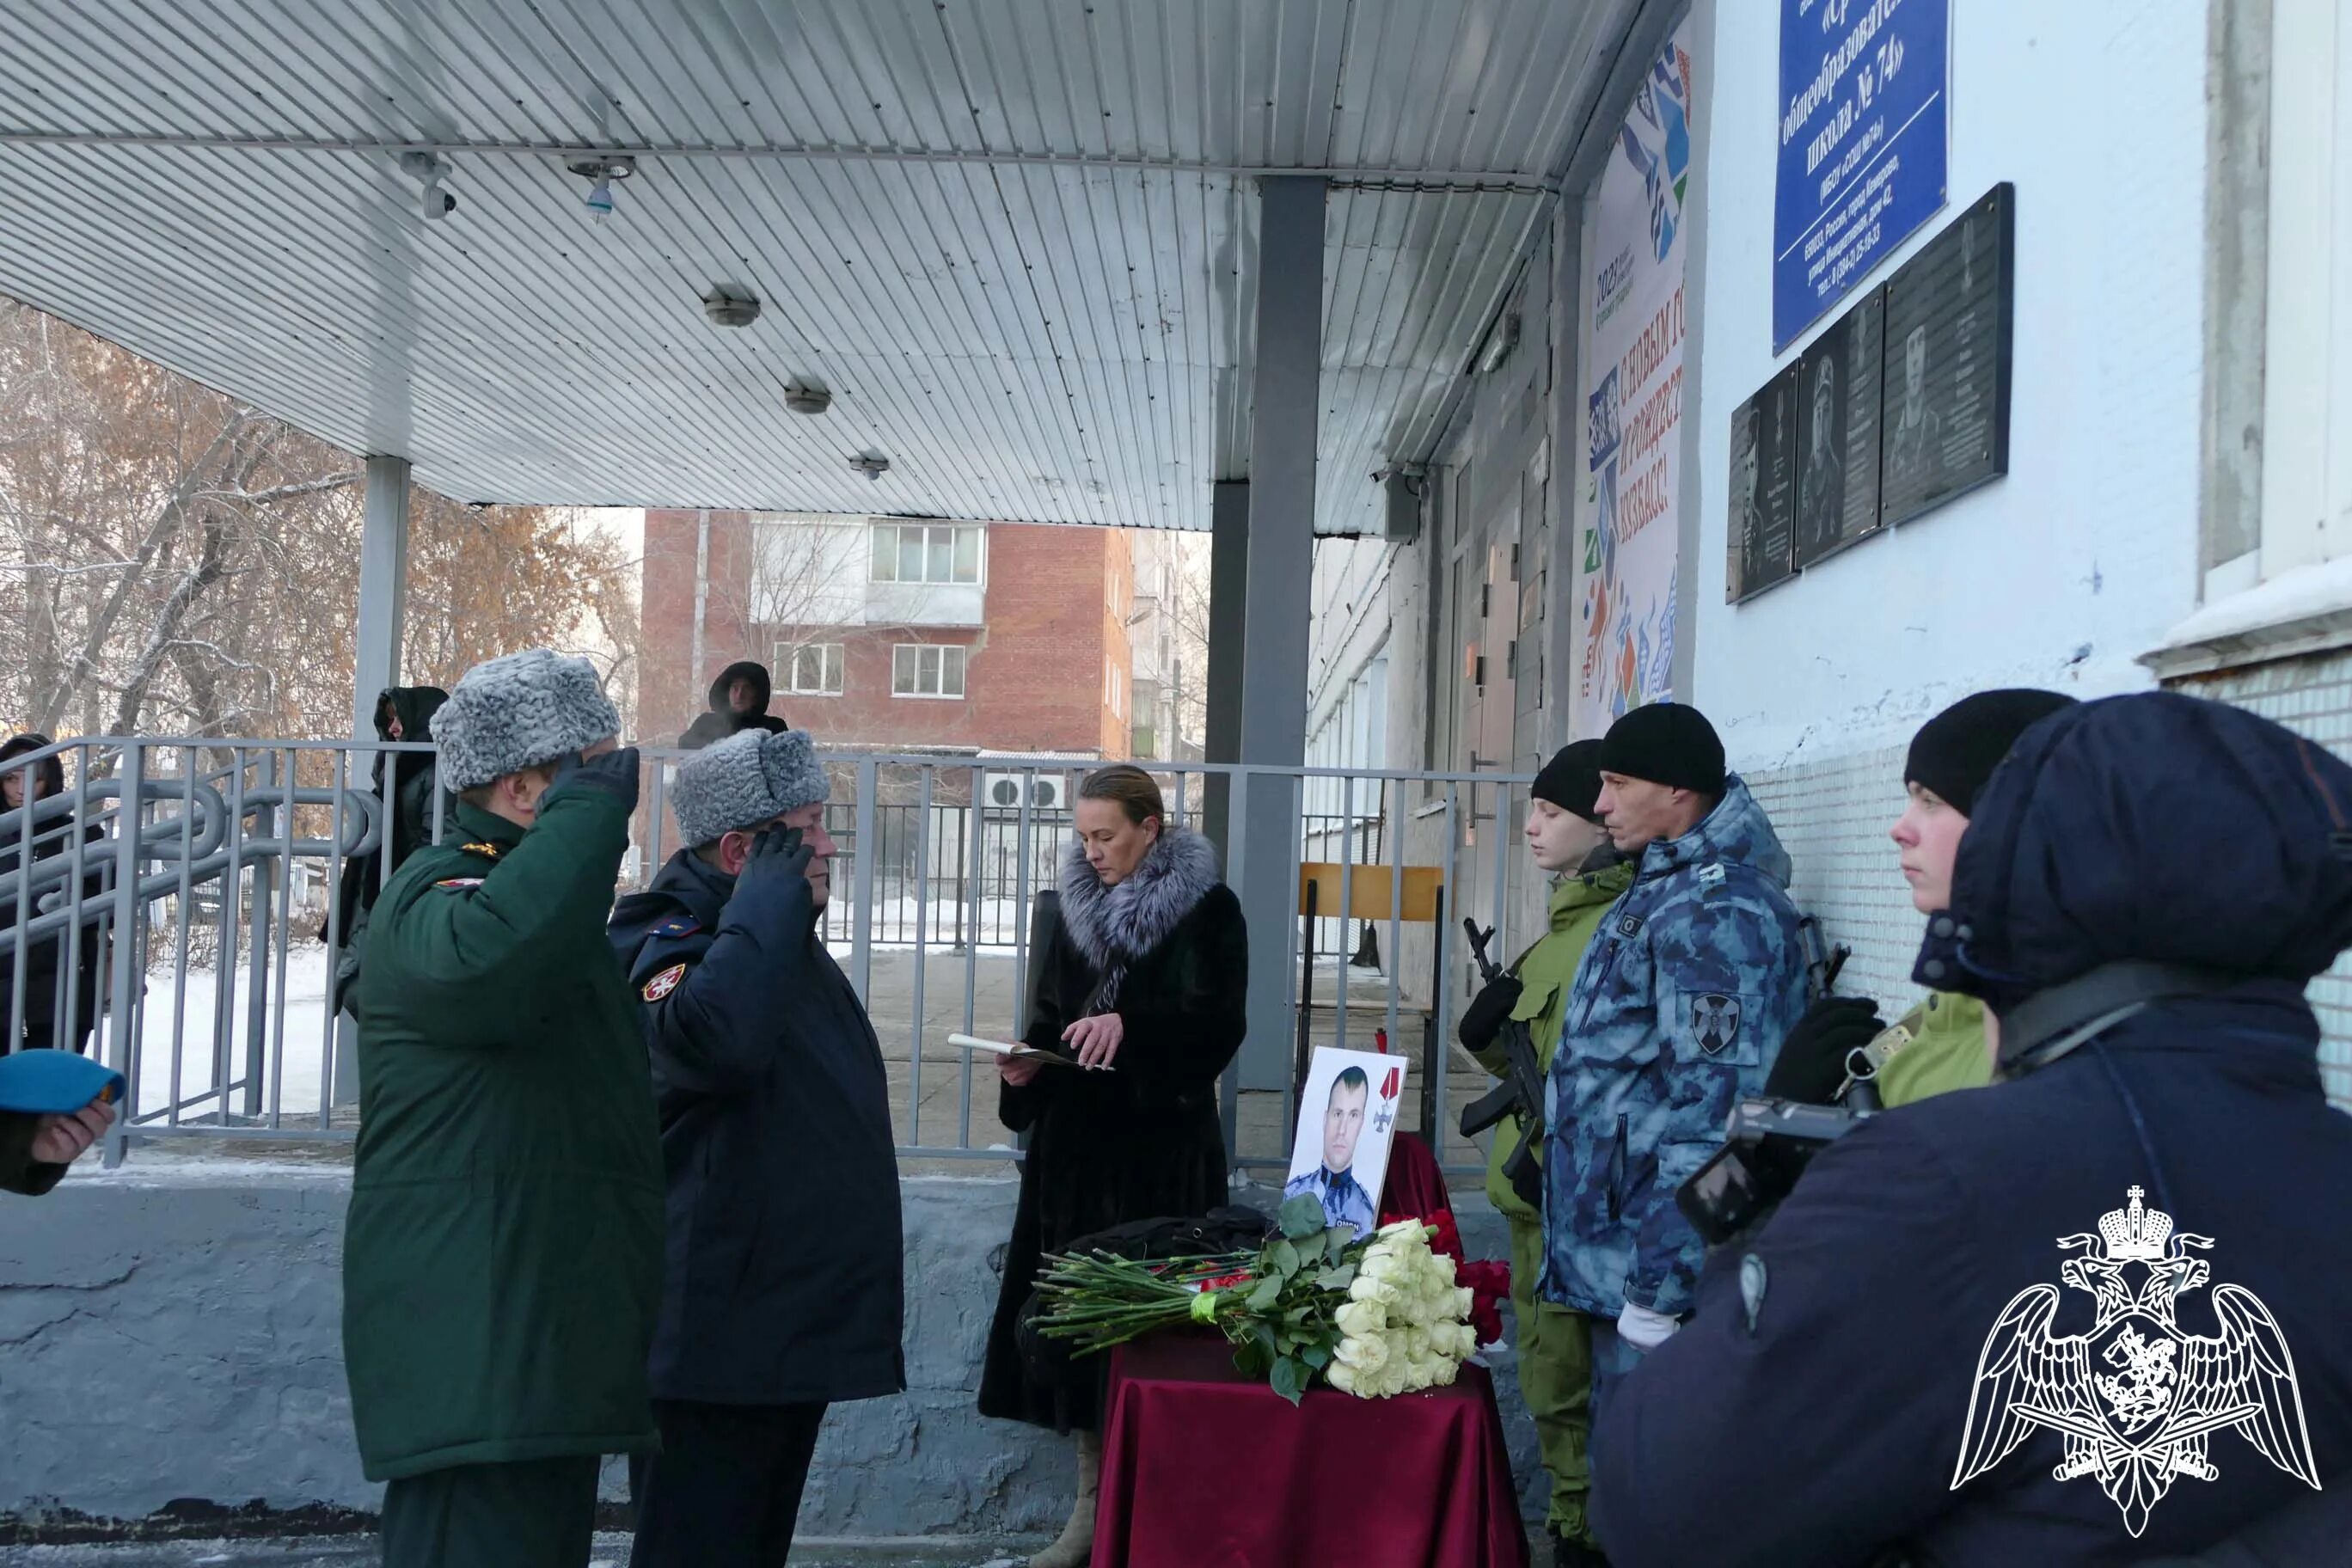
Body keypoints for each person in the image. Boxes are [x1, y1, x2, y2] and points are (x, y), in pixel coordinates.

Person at [1588, 692, 2352, 1565]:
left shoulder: (1934, 1180)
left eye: (1940, 804)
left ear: (2038, 874)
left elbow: (1662, 1501)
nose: (1899, 831)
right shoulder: (2328, 1166)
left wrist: (1771, 1215)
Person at [341, 649, 661, 1568]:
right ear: (527, 790)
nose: (617, 801)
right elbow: (489, 966)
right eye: (595, 775)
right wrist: (592, 813)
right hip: (483, 1356)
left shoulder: (535, 905)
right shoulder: (438, 891)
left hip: (534, 1349)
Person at [609, 726, 903, 1568]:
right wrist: (770, 902)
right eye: (805, 829)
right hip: (713, 1348)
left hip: (778, 1331)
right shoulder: (659, 935)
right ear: (740, 850)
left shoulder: (775, 937)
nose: (827, 845)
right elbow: (716, 1038)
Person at [977, 764, 1246, 1568]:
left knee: (1162, 1335)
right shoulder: (1069, 910)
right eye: (1082, 836)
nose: (1091, 851)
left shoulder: (1209, 910)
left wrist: (1135, 1027)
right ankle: (1091, 1510)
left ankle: (1167, 1515)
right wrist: (1027, 1067)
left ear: (1150, 827)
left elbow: (1219, 1025)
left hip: (1162, 1155)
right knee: (1077, 1339)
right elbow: (1051, 1020)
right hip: (1075, 1156)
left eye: (1106, 835)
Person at [1541, 702, 1807, 1425]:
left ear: (1676, 790)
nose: (1600, 804)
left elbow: (1718, 1118)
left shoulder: (1717, 914)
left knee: (1654, 1485)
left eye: (1617, 782)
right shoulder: (1665, 885)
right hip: (1620, 1253)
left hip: (1661, 1279)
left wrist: (1660, 1289)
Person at [1457, 739, 1632, 1568]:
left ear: (1600, 822)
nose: (1529, 827)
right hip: (1532, 1198)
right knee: (1548, 1380)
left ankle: (1584, 1535)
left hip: (1575, 1202)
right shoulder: (1566, 925)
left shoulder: (1614, 927)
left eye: (1550, 812)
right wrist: (1493, 1039)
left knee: (1574, 1388)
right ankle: (1572, 1522)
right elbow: (1535, 1056)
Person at [1767, 689, 2078, 1109]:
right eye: (1910, 797)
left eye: (1931, 801)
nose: (1900, 828)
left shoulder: (2047, 1037)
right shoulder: (1940, 1009)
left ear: (2006, 820)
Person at [329, 686, 450, 1014]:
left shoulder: (437, 772)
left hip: (405, 896)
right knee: (360, 989)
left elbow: (435, 841)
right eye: (389, 720)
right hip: (379, 891)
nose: (394, 727)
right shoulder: (393, 770)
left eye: (400, 718)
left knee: (373, 994)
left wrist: (402, 884)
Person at [0, 734, 105, 1057]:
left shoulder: (80, 835)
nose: (20, 789)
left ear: (51, 780)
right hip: (4, 983)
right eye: (11, 778)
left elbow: (112, 905)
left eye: (35, 778)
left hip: (60, 987)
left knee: (53, 1093)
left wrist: (69, 900)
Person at [1283, 1067, 1377, 1233]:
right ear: (1325, 1119)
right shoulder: (1294, 1192)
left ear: (1361, 1124)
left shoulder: (1365, 1211)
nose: (1342, 1130)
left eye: (1353, 1115)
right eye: (1337, 1114)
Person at [678, 660, 787, 750]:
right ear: (727, 693)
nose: (739, 695)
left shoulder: (774, 728)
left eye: (747, 688)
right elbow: (685, 749)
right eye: (735, 688)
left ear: (757, 695)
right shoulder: (706, 723)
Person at [1885, 323, 1942, 485]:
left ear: (1928, 357)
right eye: (1911, 348)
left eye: (1920, 344)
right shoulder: (1890, 438)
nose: (1915, 359)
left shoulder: (1936, 425)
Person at [1798, 355, 1844, 556]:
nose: (1820, 421)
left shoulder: (1837, 475)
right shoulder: (1804, 482)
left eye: (1826, 412)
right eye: (1817, 412)